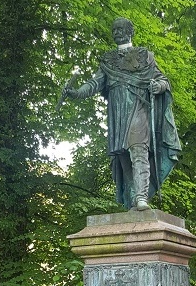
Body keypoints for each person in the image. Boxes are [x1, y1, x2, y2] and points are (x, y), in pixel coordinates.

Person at [62, 17, 181, 211]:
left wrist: (157, 86)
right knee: (124, 157)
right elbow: (94, 84)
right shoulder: (108, 61)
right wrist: (76, 93)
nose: (116, 32)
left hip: (138, 110)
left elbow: (163, 80)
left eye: (120, 29)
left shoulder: (144, 56)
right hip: (117, 117)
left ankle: (142, 196)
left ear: (130, 32)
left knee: (138, 150)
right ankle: (133, 196)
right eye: (114, 29)